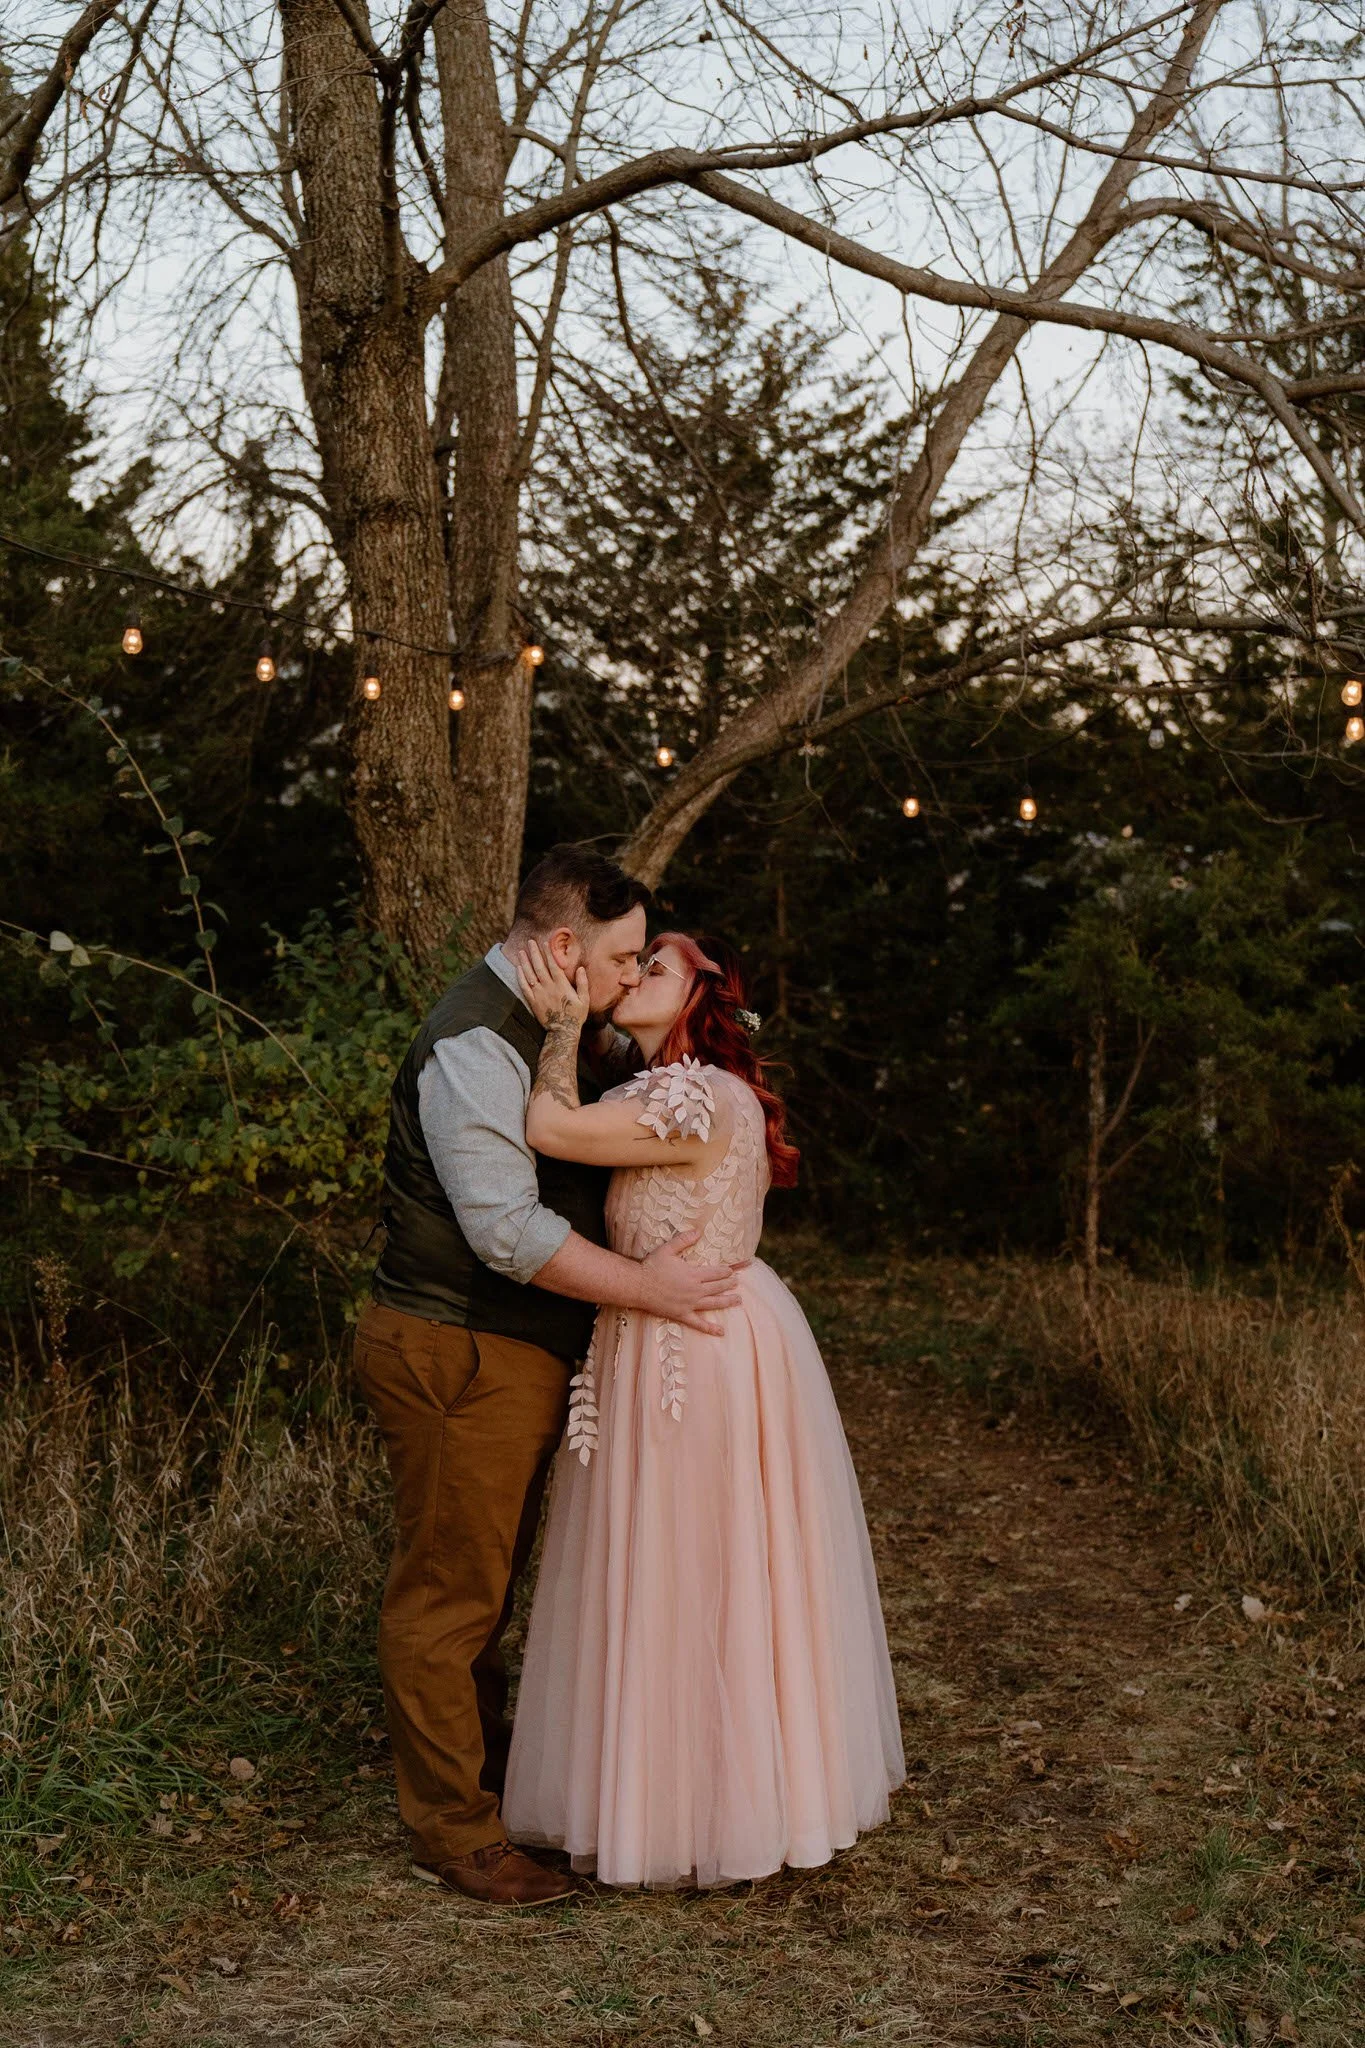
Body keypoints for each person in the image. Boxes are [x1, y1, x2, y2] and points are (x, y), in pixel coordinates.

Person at [353, 848, 746, 1908]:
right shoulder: (475, 1043)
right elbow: (507, 1233)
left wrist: (701, 1003)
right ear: (566, 947)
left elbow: (683, 1091)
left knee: (488, 1581)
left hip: (512, 1353)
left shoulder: (566, 1029)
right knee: (450, 1592)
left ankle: (485, 1775)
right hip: (458, 1346)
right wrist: (648, 1292)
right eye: (624, 956)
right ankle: (457, 1832)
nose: (630, 978)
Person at [503, 932, 905, 1887]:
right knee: (682, 1558)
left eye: (659, 967)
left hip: (696, 1339)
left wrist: (560, 1027)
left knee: (697, 1560)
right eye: (634, 962)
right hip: (666, 1325)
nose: (635, 974)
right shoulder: (664, 1091)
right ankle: (674, 1791)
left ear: (704, 998)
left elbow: (547, 1132)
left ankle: (712, 1807)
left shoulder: (691, 1093)